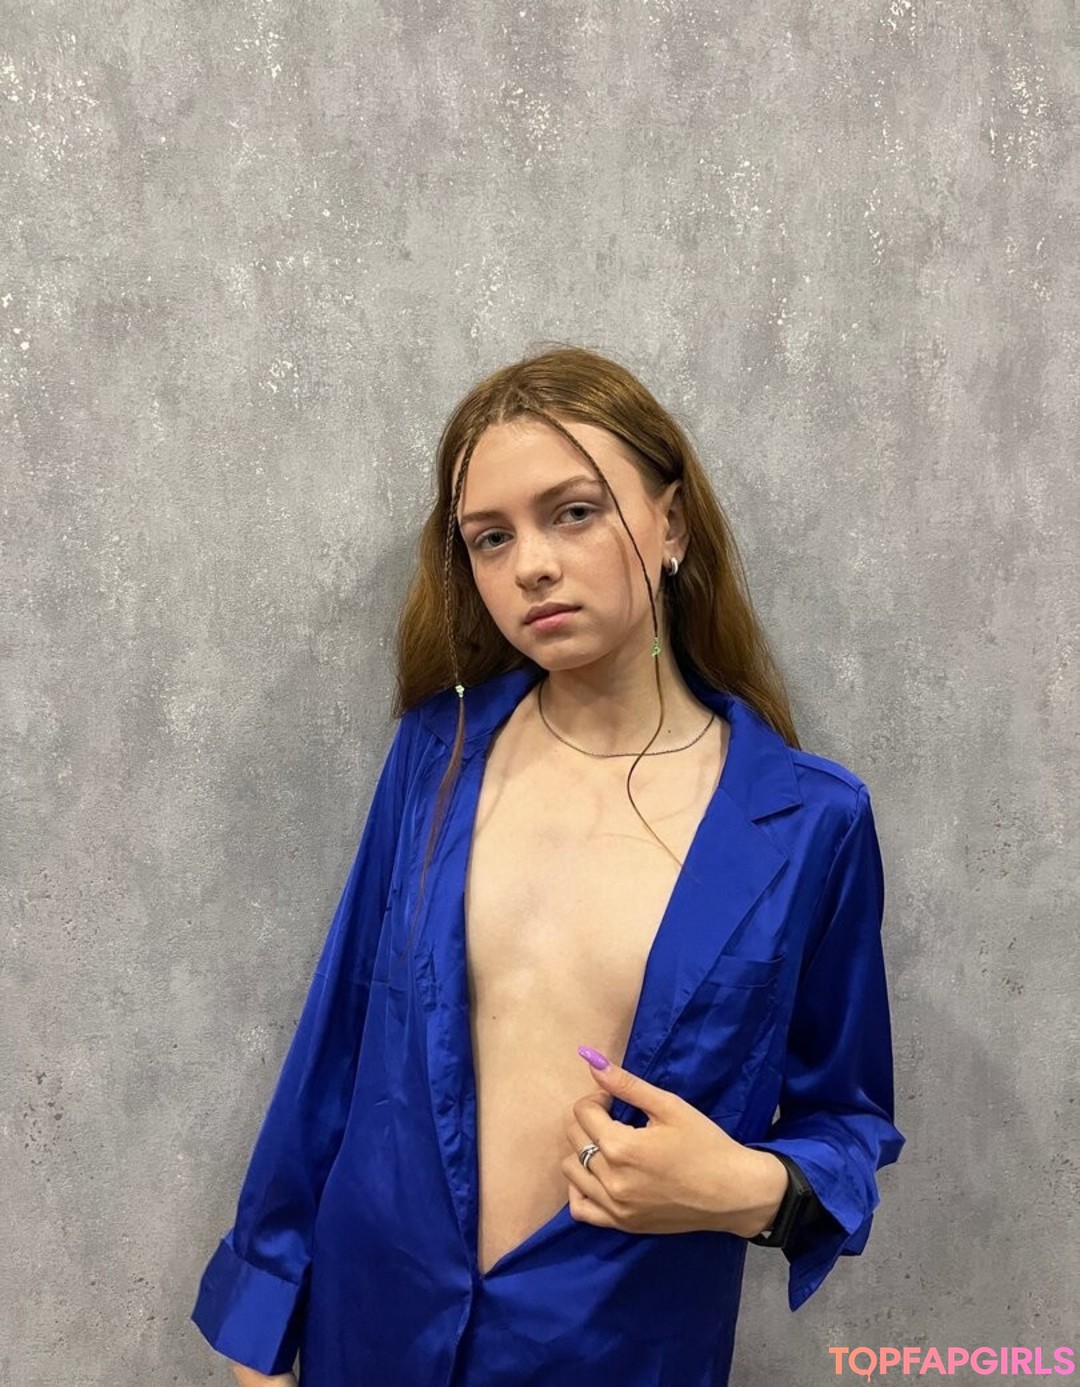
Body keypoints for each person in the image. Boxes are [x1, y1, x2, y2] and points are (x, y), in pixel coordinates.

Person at [191, 345, 905, 1386]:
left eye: (573, 512)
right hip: (374, 1320)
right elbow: (336, 1042)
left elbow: (848, 1114)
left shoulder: (808, 823)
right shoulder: (437, 756)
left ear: (671, 522)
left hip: (614, 1344)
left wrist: (747, 1190)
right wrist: (264, 1325)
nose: (530, 564)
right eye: (491, 536)